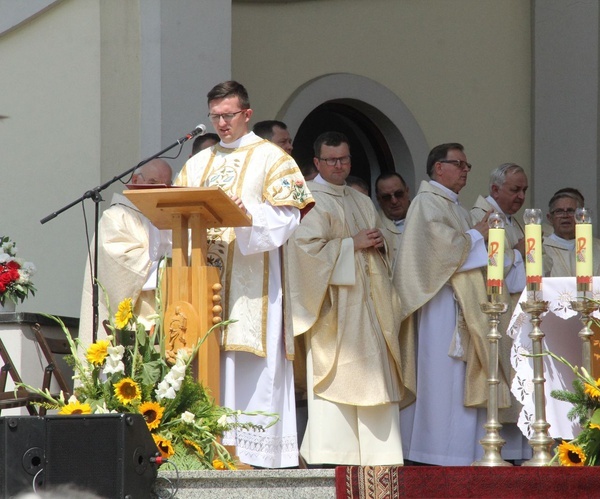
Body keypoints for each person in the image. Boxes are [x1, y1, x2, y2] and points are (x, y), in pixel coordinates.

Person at [174, 80, 314, 468]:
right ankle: (205, 445)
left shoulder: (273, 159)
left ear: (247, 114)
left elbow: (289, 218)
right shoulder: (197, 164)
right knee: (206, 358)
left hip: (253, 287)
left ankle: (252, 453)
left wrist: (247, 215)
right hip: (202, 284)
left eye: (229, 115)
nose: (222, 123)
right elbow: (174, 217)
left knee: (249, 364)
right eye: (215, 116)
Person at [284, 131, 406, 466]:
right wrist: (352, 243)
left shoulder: (361, 200)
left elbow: (382, 242)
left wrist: (381, 242)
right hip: (334, 310)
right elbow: (304, 253)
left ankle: (381, 452)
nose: (340, 166)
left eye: (345, 159)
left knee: (377, 377)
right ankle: (334, 453)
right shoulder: (309, 200)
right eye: (333, 160)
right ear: (318, 163)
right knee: (337, 376)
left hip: (370, 306)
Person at [393, 143, 515, 466]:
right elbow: (437, 254)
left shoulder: (455, 207)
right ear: (438, 168)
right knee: (441, 379)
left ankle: (463, 452)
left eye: (466, 165)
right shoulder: (425, 204)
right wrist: (478, 233)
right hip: (440, 308)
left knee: (459, 380)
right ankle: (434, 452)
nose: (464, 170)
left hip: (463, 306)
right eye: (458, 164)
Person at [79, 159, 173, 342]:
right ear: (136, 181)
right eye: (153, 183)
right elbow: (120, 265)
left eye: (166, 184)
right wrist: (168, 265)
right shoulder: (116, 217)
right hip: (134, 322)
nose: (160, 189)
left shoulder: (170, 219)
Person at [469, 163, 527, 295]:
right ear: (495, 190)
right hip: (493, 301)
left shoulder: (514, 222)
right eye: (515, 190)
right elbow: (482, 267)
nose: (522, 196)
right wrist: (517, 253)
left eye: (524, 190)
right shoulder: (479, 218)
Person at [543, 191, 600, 277]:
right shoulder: (541, 248)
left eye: (571, 211)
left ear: (581, 216)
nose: (565, 215)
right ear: (550, 218)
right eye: (559, 211)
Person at [374, 172, 410, 264]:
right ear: (378, 199)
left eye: (398, 194)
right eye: (386, 197)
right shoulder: (373, 226)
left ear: (407, 191)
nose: (394, 201)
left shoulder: (426, 217)